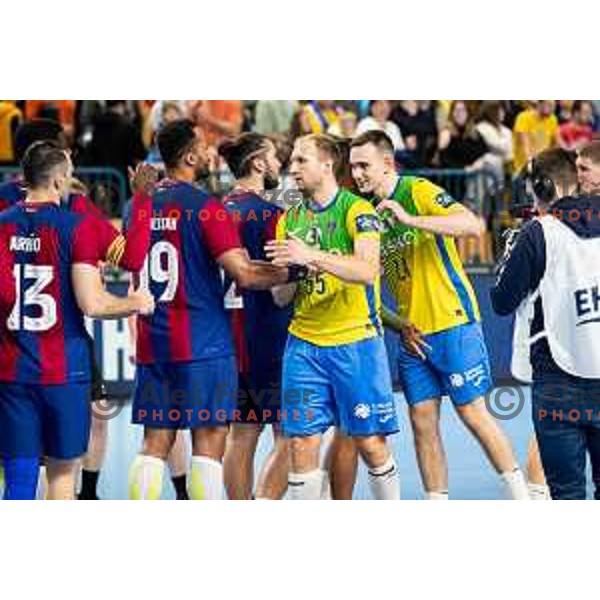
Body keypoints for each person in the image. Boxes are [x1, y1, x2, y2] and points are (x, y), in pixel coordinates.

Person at [348, 130, 530, 500]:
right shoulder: (365, 214)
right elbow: (368, 283)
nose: (358, 174)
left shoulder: (417, 190)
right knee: (422, 422)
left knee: (473, 414)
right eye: (352, 167)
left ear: (387, 163)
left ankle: (521, 497)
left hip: (453, 319)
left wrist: (411, 219)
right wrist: (398, 325)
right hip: (413, 335)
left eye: (364, 165)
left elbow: (472, 224)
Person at [127, 119, 292, 500]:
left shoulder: (143, 202)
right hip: (204, 344)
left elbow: (129, 259)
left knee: (154, 443)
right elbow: (246, 274)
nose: (210, 154)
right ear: (188, 156)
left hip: (154, 341)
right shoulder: (206, 206)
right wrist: (295, 268)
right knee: (211, 439)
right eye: (203, 147)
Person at [0, 118, 154, 500]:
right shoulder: (77, 221)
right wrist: (137, 301)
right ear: (55, 176)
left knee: (18, 479)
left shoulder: (2, 220)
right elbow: (98, 297)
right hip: (63, 368)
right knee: (61, 477)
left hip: (11, 366)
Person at [265, 133, 401, 501]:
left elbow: (368, 270)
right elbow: (281, 298)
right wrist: (288, 272)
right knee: (300, 445)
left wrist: (310, 256)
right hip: (304, 345)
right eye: (291, 161)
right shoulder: (288, 220)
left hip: (355, 341)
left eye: (300, 160)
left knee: (371, 443)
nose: (292, 168)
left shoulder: (358, 211)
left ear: (326, 165)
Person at [492, 146, 600, 499]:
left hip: (559, 378)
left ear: (543, 187)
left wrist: (513, 249)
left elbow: (502, 301)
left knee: (567, 494)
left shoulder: (538, 233)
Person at [218, 133, 292, 500]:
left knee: (242, 434)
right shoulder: (272, 216)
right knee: (291, 434)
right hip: (269, 338)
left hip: (228, 341)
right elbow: (281, 292)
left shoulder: (213, 212)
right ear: (259, 164)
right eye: (275, 157)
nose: (281, 163)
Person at [512, 101, 559, 172]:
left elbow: (555, 146)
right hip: (524, 168)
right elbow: (526, 148)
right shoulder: (523, 118)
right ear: (540, 104)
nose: (552, 109)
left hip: (545, 166)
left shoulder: (552, 119)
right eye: (549, 105)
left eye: (554, 106)